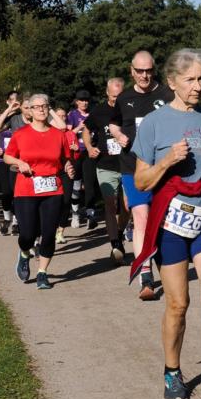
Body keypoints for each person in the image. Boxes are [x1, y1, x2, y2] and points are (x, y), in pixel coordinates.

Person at [129, 49, 201, 399]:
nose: (198, 86)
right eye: (191, 79)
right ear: (172, 82)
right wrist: (166, 161)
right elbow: (142, 182)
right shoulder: (154, 124)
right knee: (178, 304)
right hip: (172, 222)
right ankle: (172, 372)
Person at [110, 51, 173, 299]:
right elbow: (113, 122)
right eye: (140, 71)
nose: (144, 75)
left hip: (163, 168)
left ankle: (168, 264)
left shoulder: (167, 94)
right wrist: (117, 134)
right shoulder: (124, 98)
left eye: (148, 70)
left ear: (153, 70)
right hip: (132, 166)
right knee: (141, 216)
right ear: (131, 70)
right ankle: (145, 273)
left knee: (162, 220)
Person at [4, 93, 75, 289]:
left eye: (45, 106)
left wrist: (69, 167)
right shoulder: (21, 134)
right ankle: (25, 253)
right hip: (26, 189)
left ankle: (42, 272)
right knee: (27, 234)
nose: (41, 109)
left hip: (53, 189)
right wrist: (20, 162)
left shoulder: (58, 135)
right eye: (37, 107)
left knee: (49, 233)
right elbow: (8, 157)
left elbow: (66, 159)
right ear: (30, 111)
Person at [83, 77, 129, 264]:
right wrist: (88, 147)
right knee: (110, 204)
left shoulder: (129, 109)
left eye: (120, 96)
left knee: (127, 206)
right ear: (107, 93)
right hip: (106, 165)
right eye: (113, 96)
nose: (116, 99)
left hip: (128, 165)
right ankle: (115, 245)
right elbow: (86, 129)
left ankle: (118, 233)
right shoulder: (99, 111)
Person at [0, 91, 22, 234]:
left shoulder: (22, 117)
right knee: (7, 192)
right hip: (2, 159)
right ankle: (6, 218)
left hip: (17, 159)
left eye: (17, 100)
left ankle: (16, 222)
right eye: (12, 100)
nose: (15, 102)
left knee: (17, 192)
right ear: (7, 102)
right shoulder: (1, 118)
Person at [67, 90, 98, 229]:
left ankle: (90, 214)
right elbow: (67, 133)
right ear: (77, 102)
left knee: (90, 183)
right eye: (81, 100)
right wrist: (79, 127)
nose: (84, 102)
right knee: (76, 185)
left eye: (86, 100)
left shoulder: (93, 114)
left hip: (89, 152)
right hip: (76, 153)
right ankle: (75, 214)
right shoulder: (72, 115)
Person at [53, 106, 78, 245]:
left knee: (66, 201)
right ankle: (48, 230)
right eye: (59, 116)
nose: (62, 118)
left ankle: (60, 231)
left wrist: (76, 151)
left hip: (67, 170)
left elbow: (76, 156)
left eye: (64, 116)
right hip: (52, 172)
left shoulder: (70, 133)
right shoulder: (49, 132)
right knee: (54, 202)